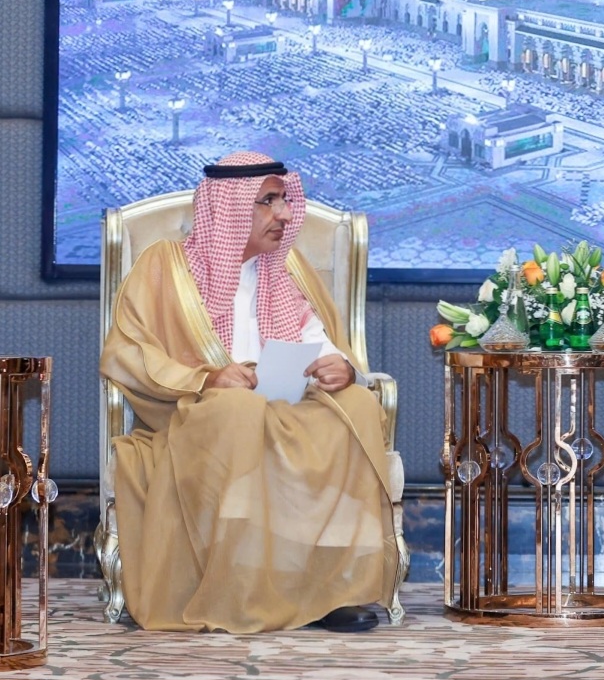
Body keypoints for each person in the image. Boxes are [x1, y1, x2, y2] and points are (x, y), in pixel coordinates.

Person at [100, 151, 398, 634]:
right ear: (231, 206)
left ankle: (336, 591)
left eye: (284, 200)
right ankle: (233, 589)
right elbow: (127, 352)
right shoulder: (166, 266)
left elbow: (320, 342)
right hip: (202, 414)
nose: (283, 214)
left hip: (285, 407)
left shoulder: (286, 269)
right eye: (268, 201)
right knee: (237, 410)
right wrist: (206, 379)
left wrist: (343, 370)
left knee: (357, 405)